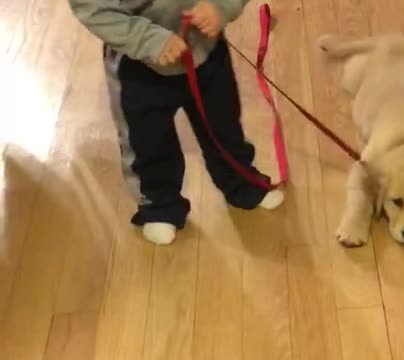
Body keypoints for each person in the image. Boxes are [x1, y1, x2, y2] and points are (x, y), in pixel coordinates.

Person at [68, 0, 284, 245]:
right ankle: (160, 205)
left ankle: (241, 182)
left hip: (206, 50)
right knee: (148, 142)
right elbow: (93, 9)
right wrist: (148, 39)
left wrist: (221, 6)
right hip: (138, 66)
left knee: (224, 125)